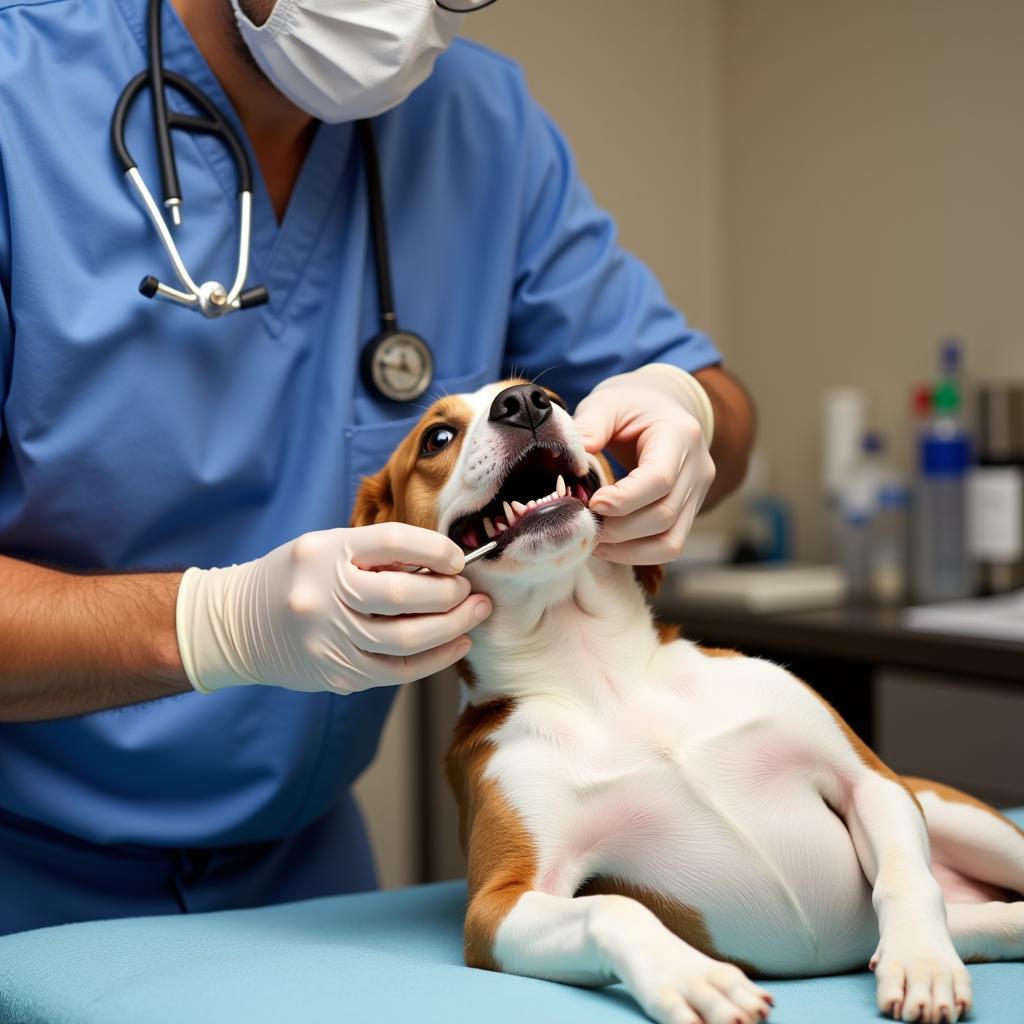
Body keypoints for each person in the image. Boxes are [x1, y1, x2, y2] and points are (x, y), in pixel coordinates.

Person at [0, 0, 755, 935]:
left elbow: (724, 410)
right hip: (21, 872)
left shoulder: (478, 122)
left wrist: (683, 412)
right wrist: (213, 625)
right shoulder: (18, 97)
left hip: (306, 882)